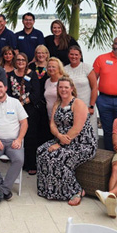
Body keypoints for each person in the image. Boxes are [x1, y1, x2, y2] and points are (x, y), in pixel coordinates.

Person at [36, 77, 97, 206]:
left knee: (56, 157)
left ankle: (77, 190)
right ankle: (49, 190)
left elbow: (76, 129)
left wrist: (59, 144)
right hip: (61, 138)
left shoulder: (78, 103)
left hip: (82, 143)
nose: (63, 90)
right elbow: (52, 124)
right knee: (41, 151)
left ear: (72, 89)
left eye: (66, 87)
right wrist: (58, 136)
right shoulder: (57, 103)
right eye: (60, 87)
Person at [0, 80, 28, 205]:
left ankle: (2, 190)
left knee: (19, 159)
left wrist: (19, 139)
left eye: (0, 87)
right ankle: (3, 187)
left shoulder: (15, 103)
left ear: (6, 88)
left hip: (14, 141)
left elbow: (24, 122)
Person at [7, 53, 50, 174]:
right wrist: (16, 104)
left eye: (23, 60)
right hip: (14, 109)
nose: (20, 62)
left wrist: (23, 102)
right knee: (16, 135)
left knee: (30, 137)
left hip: (29, 109)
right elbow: (9, 93)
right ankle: (18, 162)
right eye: (18, 60)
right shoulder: (10, 75)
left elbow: (36, 93)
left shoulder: (32, 74)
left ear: (26, 61)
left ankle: (30, 163)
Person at [64, 45, 98, 137]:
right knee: (73, 134)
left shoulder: (87, 68)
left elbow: (94, 88)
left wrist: (91, 106)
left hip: (86, 107)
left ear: (80, 56)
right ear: (68, 55)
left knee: (89, 134)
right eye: (71, 54)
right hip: (70, 108)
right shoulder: (64, 69)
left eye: (76, 54)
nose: (74, 57)